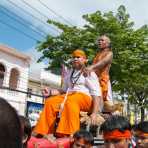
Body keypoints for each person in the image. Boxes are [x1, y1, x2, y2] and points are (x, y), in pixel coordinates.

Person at [33, 49, 103, 138]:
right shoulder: (70, 73)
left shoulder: (89, 72)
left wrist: (95, 113)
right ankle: (43, 132)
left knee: (70, 101)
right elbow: (63, 90)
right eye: (74, 57)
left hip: (86, 99)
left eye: (78, 57)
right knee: (50, 102)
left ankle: (69, 134)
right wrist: (50, 91)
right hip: (69, 96)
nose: (75, 59)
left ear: (85, 60)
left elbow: (96, 93)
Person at [84, 35, 114, 112]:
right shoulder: (97, 54)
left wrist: (91, 67)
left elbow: (103, 62)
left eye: (102, 40)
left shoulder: (110, 53)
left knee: (108, 106)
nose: (99, 42)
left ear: (108, 43)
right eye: (99, 40)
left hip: (104, 81)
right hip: (95, 81)